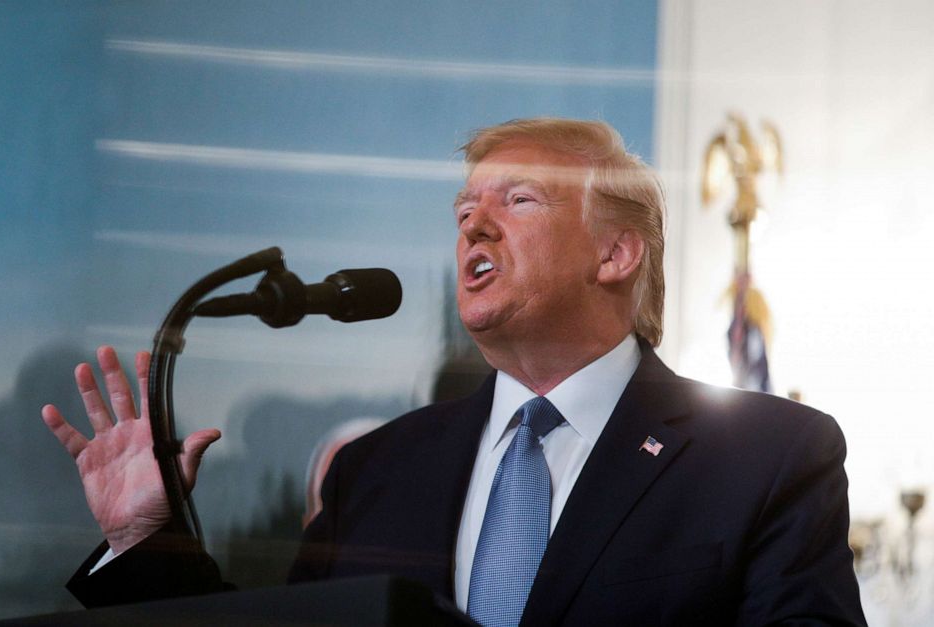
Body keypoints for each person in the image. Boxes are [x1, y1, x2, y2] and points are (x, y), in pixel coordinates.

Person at [43, 118, 866, 624]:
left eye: (519, 201)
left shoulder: (764, 459)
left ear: (616, 252)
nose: (474, 222)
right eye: (465, 209)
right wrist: (144, 543)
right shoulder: (375, 470)